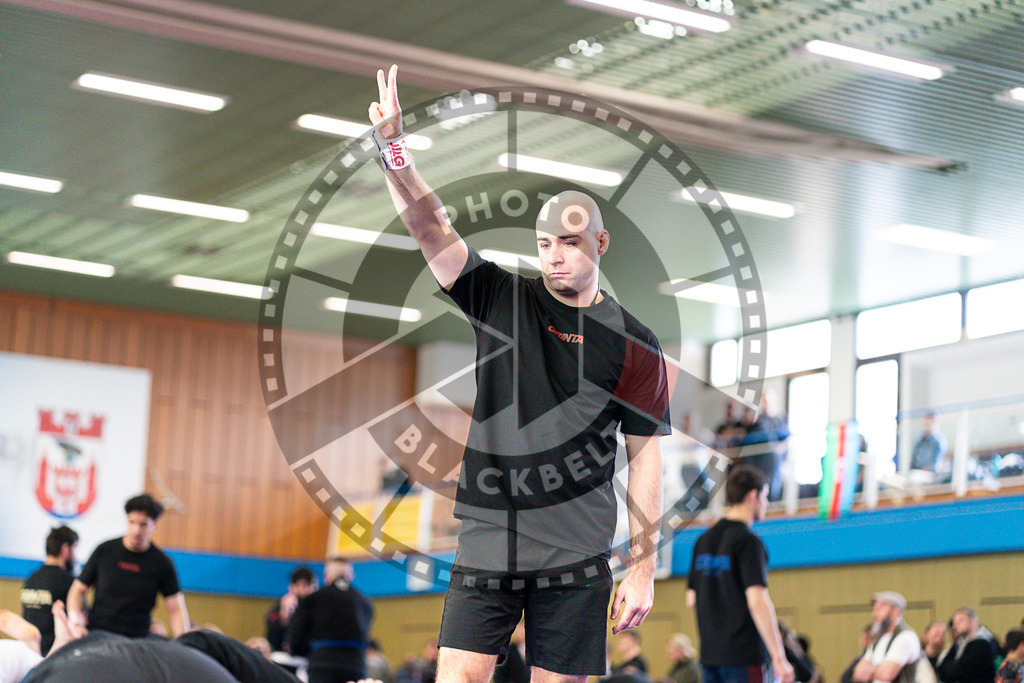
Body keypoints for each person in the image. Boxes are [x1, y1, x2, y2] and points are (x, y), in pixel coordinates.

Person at [368, 65, 670, 683]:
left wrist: (643, 566)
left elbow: (645, 457)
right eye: (544, 243)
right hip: (490, 537)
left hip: (578, 552)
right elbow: (430, 226)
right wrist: (395, 151)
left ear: (600, 246)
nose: (556, 255)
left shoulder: (636, 344)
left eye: (570, 241)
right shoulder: (502, 300)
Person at [686, 465, 795, 683]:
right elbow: (757, 602)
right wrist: (779, 657)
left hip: (709, 656)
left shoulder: (703, 540)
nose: (765, 503)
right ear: (753, 495)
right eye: (765, 496)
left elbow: (691, 599)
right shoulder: (749, 542)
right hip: (743, 657)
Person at [66, 493, 189, 638]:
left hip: (137, 640)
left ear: (154, 526)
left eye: (143, 524)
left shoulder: (161, 562)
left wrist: (183, 644)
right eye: (132, 522)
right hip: (98, 634)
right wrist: (76, 623)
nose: (136, 530)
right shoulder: (104, 550)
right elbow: (77, 590)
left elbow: (176, 610)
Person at [289, 557, 374, 683]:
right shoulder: (365, 602)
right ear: (350, 575)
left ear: (327, 575)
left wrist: (299, 651)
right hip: (355, 666)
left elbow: (297, 635)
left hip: (323, 665)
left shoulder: (314, 599)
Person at [20, 526, 78, 655]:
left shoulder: (31, 578)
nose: (74, 556)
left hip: (28, 653)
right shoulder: (69, 582)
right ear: (65, 549)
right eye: (74, 549)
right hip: (54, 656)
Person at [851, 591, 922, 683]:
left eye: (879, 609)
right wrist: (880, 668)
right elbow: (858, 674)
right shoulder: (879, 639)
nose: (874, 614)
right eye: (875, 609)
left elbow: (886, 675)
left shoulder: (906, 636)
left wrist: (870, 670)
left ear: (895, 611)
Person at [935, 607, 996, 683]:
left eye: (960, 621)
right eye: (954, 622)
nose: (955, 626)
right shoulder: (959, 645)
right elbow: (942, 671)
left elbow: (960, 672)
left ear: (972, 622)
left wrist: (952, 670)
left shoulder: (982, 645)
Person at [267, 566, 318, 652]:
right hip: (283, 656)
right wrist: (284, 614)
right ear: (292, 587)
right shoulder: (281, 607)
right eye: (303, 585)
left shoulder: (319, 608)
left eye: (310, 585)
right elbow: (272, 638)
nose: (307, 589)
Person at [909, 411, 947, 475]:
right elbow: (913, 460)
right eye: (925, 421)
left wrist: (926, 469)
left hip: (930, 474)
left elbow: (935, 464)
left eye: (929, 421)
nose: (927, 424)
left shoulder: (939, 440)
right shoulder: (920, 439)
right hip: (916, 472)